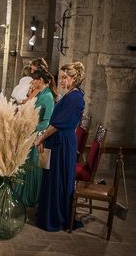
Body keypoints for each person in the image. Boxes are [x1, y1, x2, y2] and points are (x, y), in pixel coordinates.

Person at [34, 62, 86, 232]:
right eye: (61, 77)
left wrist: (41, 137)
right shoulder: (71, 95)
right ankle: (50, 213)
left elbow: (57, 125)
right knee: (53, 177)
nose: (61, 81)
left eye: (65, 77)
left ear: (74, 78)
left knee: (57, 178)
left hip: (62, 143)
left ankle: (55, 216)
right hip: (60, 141)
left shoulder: (74, 98)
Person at [14, 69, 55, 207]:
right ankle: (22, 193)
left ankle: (31, 196)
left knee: (33, 166)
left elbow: (47, 121)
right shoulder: (41, 93)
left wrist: (32, 129)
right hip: (32, 131)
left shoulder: (48, 97)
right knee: (26, 162)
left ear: (41, 80)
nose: (32, 82)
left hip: (39, 135)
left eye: (35, 79)